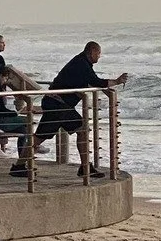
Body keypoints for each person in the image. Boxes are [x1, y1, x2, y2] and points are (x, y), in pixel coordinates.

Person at [27, 42, 128, 175]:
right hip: (58, 105)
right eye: (98, 53)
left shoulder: (81, 62)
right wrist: (117, 81)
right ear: (91, 51)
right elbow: (96, 82)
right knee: (79, 130)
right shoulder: (82, 64)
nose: (99, 56)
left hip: (58, 104)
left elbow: (86, 81)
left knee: (46, 136)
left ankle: (85, 167)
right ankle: (85, 167)